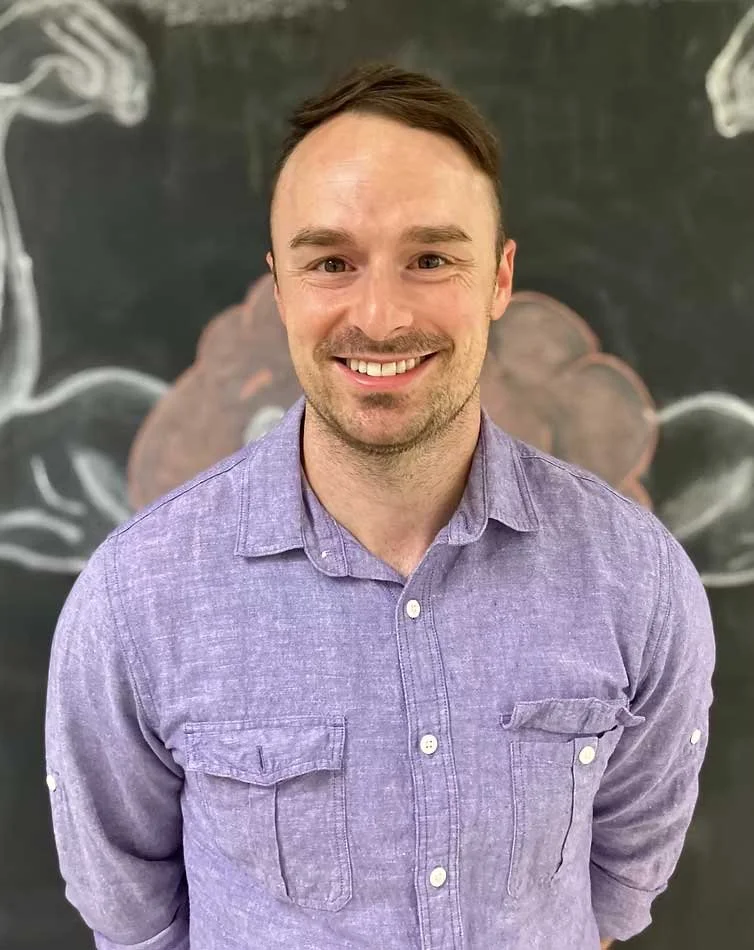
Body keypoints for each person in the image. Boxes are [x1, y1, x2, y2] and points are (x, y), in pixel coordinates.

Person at [44, 62, 715, 950]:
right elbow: (129, 911)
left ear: (500, 279)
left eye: (431, 258)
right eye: (331, 262)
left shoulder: (636, 577)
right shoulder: (136, 599)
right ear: (279, 284)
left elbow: (621, 878)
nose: (382, 315)